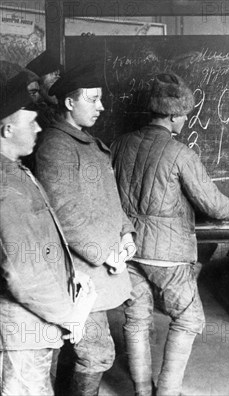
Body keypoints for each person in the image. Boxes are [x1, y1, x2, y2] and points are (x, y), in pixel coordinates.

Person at [111, 73, 229, 396]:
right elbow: (213, 205)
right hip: (167, 252)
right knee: (188, 320)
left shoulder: (120, 144)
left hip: (128, 246)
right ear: (172, 116)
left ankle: (142, 389)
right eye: (184, 115)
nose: (187, 120)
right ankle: (167, 392)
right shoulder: (180, 154)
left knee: (136, 318)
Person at [33, 63, 136, 395]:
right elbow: (64, 212)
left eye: (100, 99)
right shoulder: (56, 146)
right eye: (93, 99)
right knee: (96, 353)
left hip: (100, 265)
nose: (101, 106)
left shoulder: (87, 142)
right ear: (68, 103)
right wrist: (103, 252)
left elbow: (111, 198)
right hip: (80, 272)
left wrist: (126, 232)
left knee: (81, 352)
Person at [0, 71, 96, 395]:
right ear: (7, 128)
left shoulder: (15, 172)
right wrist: (70, 315)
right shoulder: (5, 187)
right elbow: (20, 272)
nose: (40, 127)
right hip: (20, 332)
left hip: (31, 324)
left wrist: (70, 272)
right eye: (32, 122)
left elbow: (39, 242)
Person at [25, 51, 62, 129]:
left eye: (58, 74)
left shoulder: (56, 109)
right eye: (54, 74)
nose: (58, 78)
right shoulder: (33, 113)